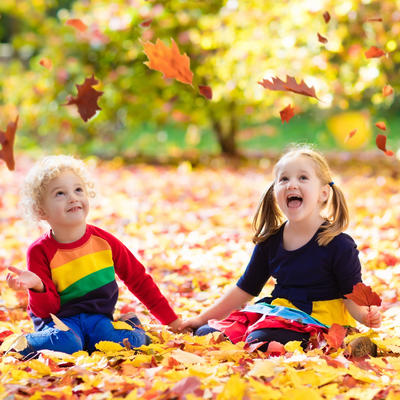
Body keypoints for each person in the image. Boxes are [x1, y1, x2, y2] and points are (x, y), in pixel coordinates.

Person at [180, 145, 381, 351]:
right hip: (280, 313)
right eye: (284, 179)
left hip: (321, 320)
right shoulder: (271, 241)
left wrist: (366, 316)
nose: (292, 184)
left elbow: (350, 294)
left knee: (261, 338)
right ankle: (269, 341)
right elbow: (245, 289)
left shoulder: (338, 244)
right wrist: (201, 319)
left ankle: (343, 344)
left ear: (323, 193)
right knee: (208, 333)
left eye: (303, 178)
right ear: (275, 191)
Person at [6, 155, 182, 356]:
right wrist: (38, 287)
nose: (73, 197)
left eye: (78, 190)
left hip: (98, 319)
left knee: (127, 342)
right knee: (69, 344)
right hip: (61, 324)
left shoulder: (104, 242)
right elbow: (46, 311)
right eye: (60, 193)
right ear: (41, 210)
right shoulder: (40, 251)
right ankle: (19, 343)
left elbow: (138, 278)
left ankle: (130, 326)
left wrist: (171, 320)